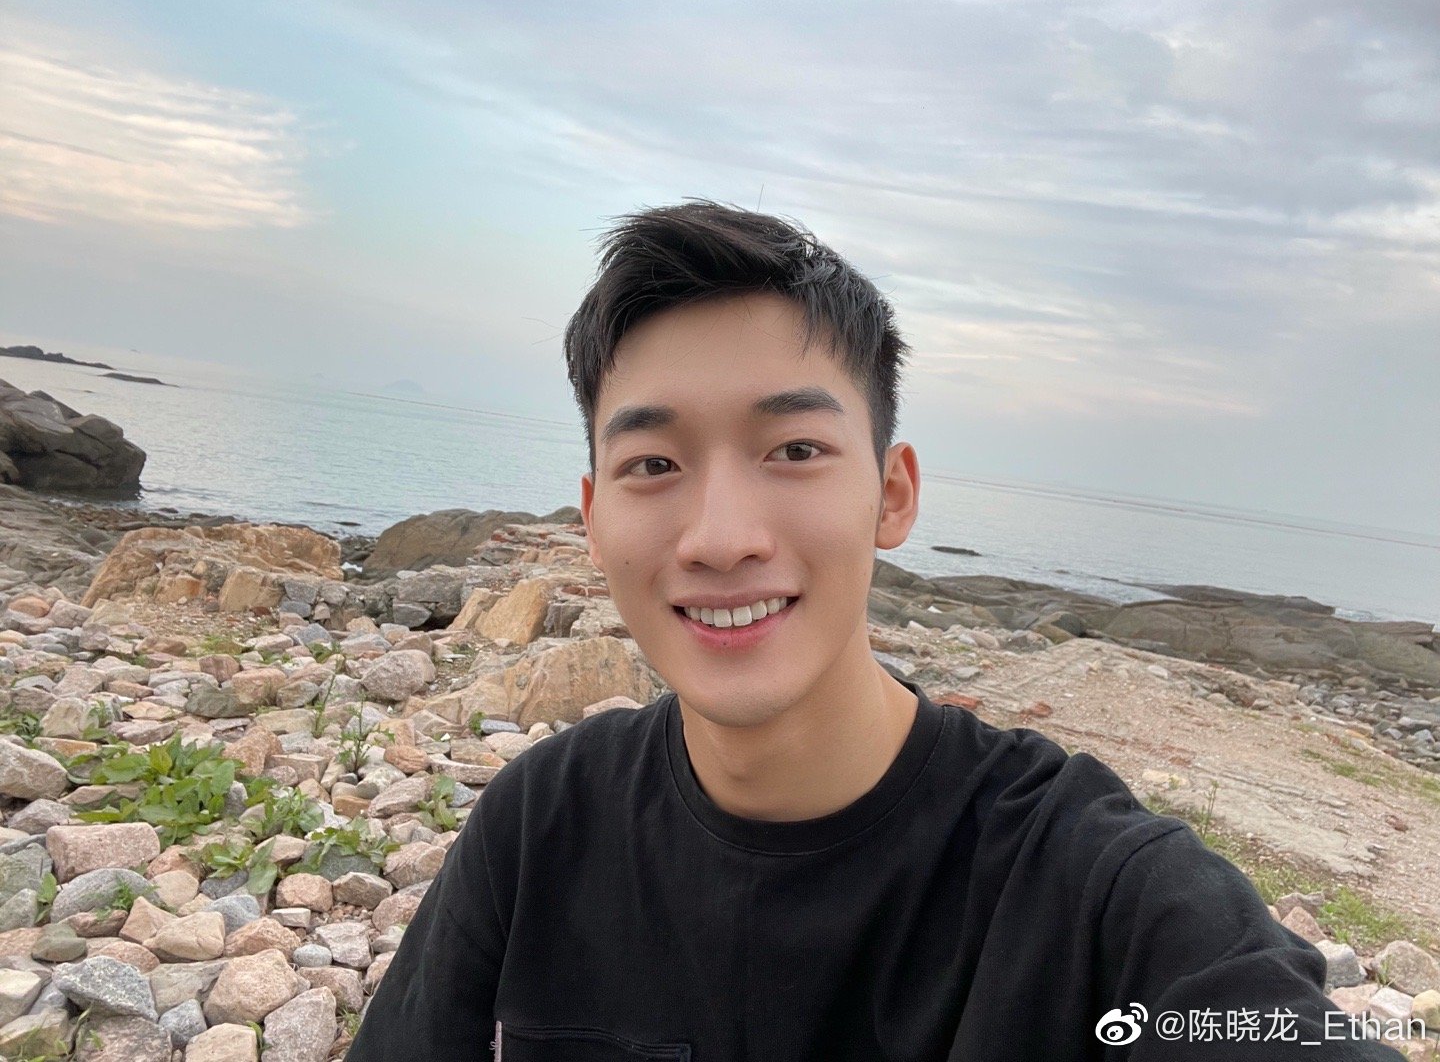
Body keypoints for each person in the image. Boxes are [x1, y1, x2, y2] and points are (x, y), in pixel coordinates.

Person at [348, 202, 1405, 1060]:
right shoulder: (542, 825)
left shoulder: (1097, 891)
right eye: (653, 464)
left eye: (795, 450)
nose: (721, 539)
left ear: (893, 494)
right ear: (592, 519)